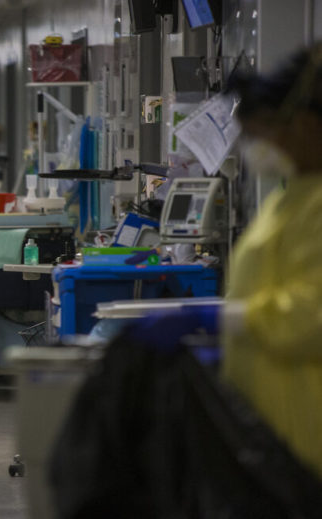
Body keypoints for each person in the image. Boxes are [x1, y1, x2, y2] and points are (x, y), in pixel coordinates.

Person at [126, 45, 322, 481]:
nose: (260, 147)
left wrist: (223, 319)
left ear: (308, 125)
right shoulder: (292, 198)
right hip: (269, 432)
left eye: (267, 131)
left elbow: (312, 315)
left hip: (308, 438)